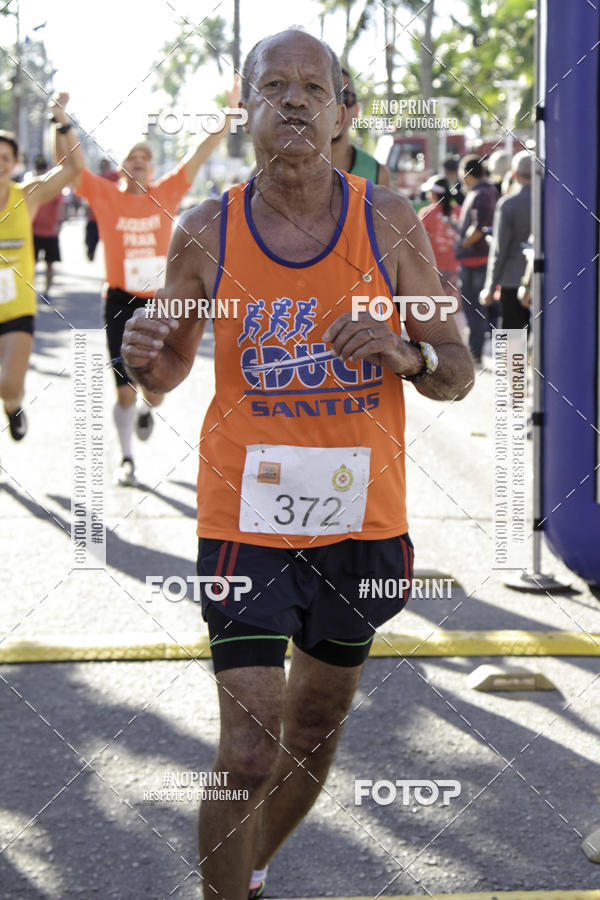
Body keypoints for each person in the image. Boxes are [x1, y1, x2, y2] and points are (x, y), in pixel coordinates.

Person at [122, 29, 474, 900]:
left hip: (362, 518)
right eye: (273, 85)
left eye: (312, 87)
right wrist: (143, 357)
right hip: (245, 513)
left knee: (314, 730)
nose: (293, 101)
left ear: (341, 110)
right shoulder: (205, 230)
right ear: (244, 107)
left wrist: (408, 355)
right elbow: (164, 369)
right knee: (246, 749)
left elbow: (457, 370)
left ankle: (251, 871)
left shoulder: (387, 220)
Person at [56, 78, 240, 486]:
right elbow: (73, 166)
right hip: (119, 299)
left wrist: (229, 113)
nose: (139, 160)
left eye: (145, 156)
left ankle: (146, 408)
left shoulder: (167, 191)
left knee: (154, 392)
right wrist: (61, 122)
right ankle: (127, 460)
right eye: (132, 156)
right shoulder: (105, 195)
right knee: (122, 387)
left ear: (152, 167)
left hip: (162, 300)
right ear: (122, 167)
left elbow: (202, 149)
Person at [0, 94, 83, 444]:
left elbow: (73, 170)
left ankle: (13, 405)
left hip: (17, 309)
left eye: (5, 157)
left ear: (16, 162)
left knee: (9, 385)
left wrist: (60, 122)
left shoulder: (27, 196)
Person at [479, 150, 532, 330]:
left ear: (515, 175)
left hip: (512, 282)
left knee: (511, 345)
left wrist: (490, 287)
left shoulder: (509, 204)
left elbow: (499, 251)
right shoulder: (553, 200)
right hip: (543, 281)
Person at [455, 154, 498, 365]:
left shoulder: (481, 193)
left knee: (474, 309)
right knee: (475, 309)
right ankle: (475, 350)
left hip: (476, 261)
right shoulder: (486, 191)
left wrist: (463, 244)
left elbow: (479, 228)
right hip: (478, 259)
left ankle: (474, 352)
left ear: (468, 173)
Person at [330, 67, 390, 185]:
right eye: (327, 95)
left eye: (344, 97)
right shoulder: (288, 167)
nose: (336, 107)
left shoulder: (377, 174)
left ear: (357, 111)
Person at [32, 156, 65, 299]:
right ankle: (29, 291)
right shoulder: (31, 185)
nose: (40, 172)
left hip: (50, 232)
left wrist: (59, 224)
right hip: (33, 231)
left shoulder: (54, 186)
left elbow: (62, 205)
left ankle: (46, 292)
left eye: (42, 169)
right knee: (30, 263)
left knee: (49, 264)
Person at [85, 158, 120, 261]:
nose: (104, 167)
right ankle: (91, 251)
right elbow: (88, 195)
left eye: (106, 165)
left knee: (111, 245)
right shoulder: (95, 178)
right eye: (102, 165)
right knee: (90, 243)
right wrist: (88, 209)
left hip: (110, 218)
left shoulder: (114, 177)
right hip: (94, 218)